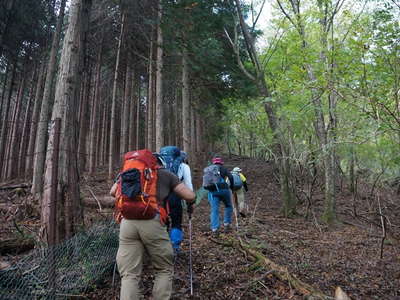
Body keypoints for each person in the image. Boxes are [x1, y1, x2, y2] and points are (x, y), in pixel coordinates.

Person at [110, 151, 195, 300]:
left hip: (127, 222)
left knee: (129, 274)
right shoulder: (165, 174)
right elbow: (190, 196)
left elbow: (112, 192)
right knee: (163, 269)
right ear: (160, 163)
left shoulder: (130, 171)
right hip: (152, 222)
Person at [168, 150, 193, 254]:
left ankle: (162, 247)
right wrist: (190, 203)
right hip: (175, 195)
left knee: (162, 221)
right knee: (176, 222)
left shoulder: (163, 165)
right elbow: (188, 185)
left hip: (160, 196)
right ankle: (175, 247)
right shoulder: (184, 166)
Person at [206, 156, 234, 236]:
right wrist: (231, 187)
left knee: (214, 210)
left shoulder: (209, 169)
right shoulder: (223, 168)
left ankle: (215, 229)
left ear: (213, 162)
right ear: (221, 162)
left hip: (213, 191)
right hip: (224, 190)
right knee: (228, 206)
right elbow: (231, 177)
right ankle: (227, 224)